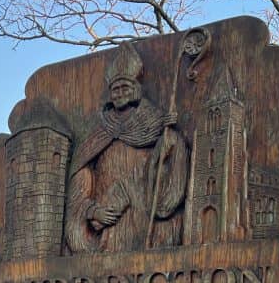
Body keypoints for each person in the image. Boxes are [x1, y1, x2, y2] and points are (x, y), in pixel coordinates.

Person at [65, 42, 189, 254]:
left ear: (135, 90)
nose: (120, 93)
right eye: (115, 89)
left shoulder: (154, 120)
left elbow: (168, 155)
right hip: (109, 206)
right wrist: (92, 211)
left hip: (142, 201)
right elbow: (80, 172)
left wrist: (169, 137)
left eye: (125, 88)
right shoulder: (100, 127)